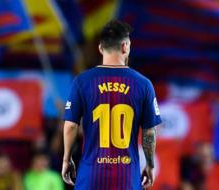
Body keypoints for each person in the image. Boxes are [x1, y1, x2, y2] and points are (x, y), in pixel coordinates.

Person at [62, 20, 162, 189]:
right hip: (126, 177)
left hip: (91, 175)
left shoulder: (82, 82)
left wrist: (66, 159)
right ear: (125, 47)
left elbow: (71, 126)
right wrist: (150, 164)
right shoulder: (143, 84)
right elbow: (149, 132)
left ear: (101, 48)